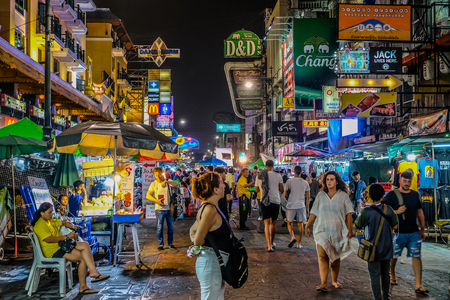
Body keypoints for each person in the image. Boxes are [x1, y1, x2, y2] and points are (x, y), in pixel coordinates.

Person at [32, 202, 110, 294]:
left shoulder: (48, 221)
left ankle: (93, 271)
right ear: (42, 213)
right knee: (83, 258)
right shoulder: (40, 224)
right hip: (54, 251)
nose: (51, 214)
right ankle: (83, 286)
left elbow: (62, 222)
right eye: (49, 212)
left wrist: (72, 226)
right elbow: (48, 239)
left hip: (60, 246)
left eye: (52, 212)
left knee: (85, 245)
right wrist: (66, 237)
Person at [305, 171, 354, 292]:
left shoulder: (343, 196)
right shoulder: (321, 195)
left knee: (335, 258)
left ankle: (334, 281)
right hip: (322, 230)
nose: (329, 182)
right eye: (327, 180)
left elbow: (348, 213)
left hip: (338, 231)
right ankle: (323, 283)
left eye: (332, 179)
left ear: (337, 181)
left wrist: (350, 229)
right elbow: (314, 212)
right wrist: (307, 225)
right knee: (322, 256)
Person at [384, 172, 428, 294]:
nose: (407, 184)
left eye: (409, 181)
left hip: (413, 231)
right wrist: (396, 211)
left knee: (416, 256)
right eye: (405, 181)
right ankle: (392, 274)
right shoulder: (392, 195)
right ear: (400, 180)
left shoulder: (415, 195)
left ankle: (418, 284)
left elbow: (419, 212)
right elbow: (383, 209)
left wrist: (422, 229)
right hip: (398, 232)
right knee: (393, 256)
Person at [188, 172, 230, 300]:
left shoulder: (210, 207)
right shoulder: (209, 210)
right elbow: (197, 239)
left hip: (215, 262)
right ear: (216, 189)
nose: (224, 185)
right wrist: (197, 246)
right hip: (211, 263)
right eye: (222, 182)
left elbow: (193, 231)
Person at [355, 184, 398, 300]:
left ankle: (377, 298)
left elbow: (356, 225)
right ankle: (386, 297)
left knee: (374, 275)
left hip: (372, 248)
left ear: (369, 195)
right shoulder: (389, 210)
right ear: (383, 195)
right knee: (385, 273)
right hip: (387, 247)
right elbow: (395, 225)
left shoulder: (366, 212)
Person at [147, 167, 179, 250]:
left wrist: (166, 181)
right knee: (159, 227)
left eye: (159, 175)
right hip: (159, 209)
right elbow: (148, 195)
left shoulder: (167, 182)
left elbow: (176, 184)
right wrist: (156, 200)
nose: (158, 177)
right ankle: (161, 244)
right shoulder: (153, 184)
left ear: (162, 173)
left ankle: (170, 243)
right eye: (156, 175)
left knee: (170, 227)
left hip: (169, 208)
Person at [255, 160, 284, 252]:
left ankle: (269, 246)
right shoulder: (278, 175)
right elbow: (282, 189)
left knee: (267, 224)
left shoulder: (259, 175)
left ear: (265, 165)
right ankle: (272, 242)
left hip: (264, 201)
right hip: (275, 200)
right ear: (273, 166)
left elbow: (256, 190)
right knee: (273, 224)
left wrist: (264, 189)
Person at [285, 166, 310, 249]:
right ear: (301, 172)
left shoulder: (289, 181)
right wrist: (307, 208)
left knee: (289, 222)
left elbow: (285, 194)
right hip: (301, 205)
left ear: (293, 171)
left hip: (291, 205)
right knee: (300, 224)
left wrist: (289, 199)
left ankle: (292, 237)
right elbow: (308, 197)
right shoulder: (305, 182)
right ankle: (299, 244)